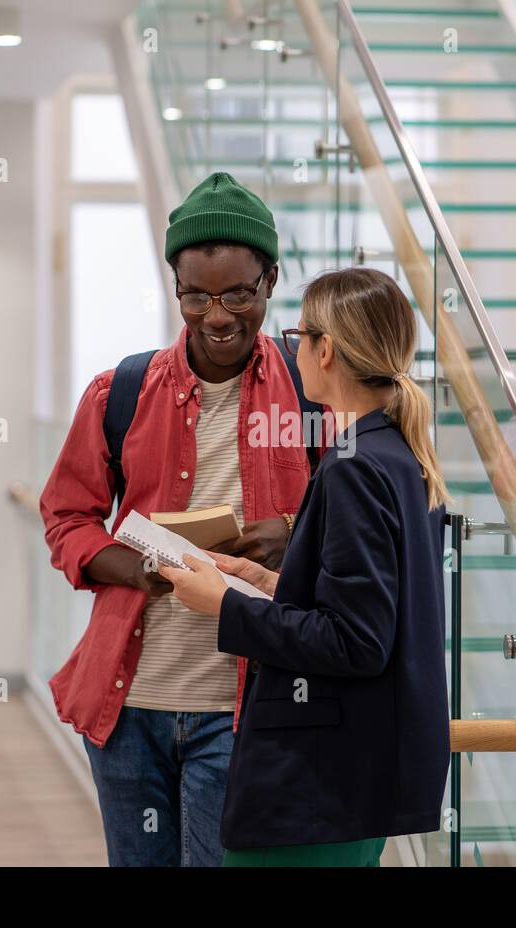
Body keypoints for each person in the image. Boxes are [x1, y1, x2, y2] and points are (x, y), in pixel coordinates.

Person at [39, 172, 314, 866]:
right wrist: (134, 567)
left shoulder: (313, 396)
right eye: (196, 295)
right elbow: (67, 516)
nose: (216, 316)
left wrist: (295, 529)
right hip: (127, 711)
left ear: (270, 281)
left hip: (244, 709)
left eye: (237, 295)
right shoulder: (119, 392)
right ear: (176, 288)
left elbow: (374, 516)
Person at [159, 267, 451, 866]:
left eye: (299, 337)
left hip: (318, 784)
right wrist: (272, 584)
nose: (293, 352)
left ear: (328, 350)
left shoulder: (353, 466)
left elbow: (355, 641)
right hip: (362, 776)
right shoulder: (399, 456)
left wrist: (224, 605)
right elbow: (371, 610)